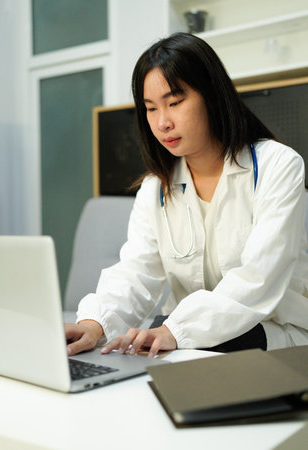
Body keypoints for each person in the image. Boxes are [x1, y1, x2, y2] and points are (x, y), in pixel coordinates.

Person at [65, 32, 308, 358]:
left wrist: (174, 330)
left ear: (212, 95)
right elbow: (136, 272)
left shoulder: (279, 166)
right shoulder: (156, 188)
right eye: (150, 108)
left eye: (175, 103)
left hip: (274, 332)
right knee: (131, 355)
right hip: (188, 341)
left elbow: (258, 278)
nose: (162, 122)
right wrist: (95, 324)